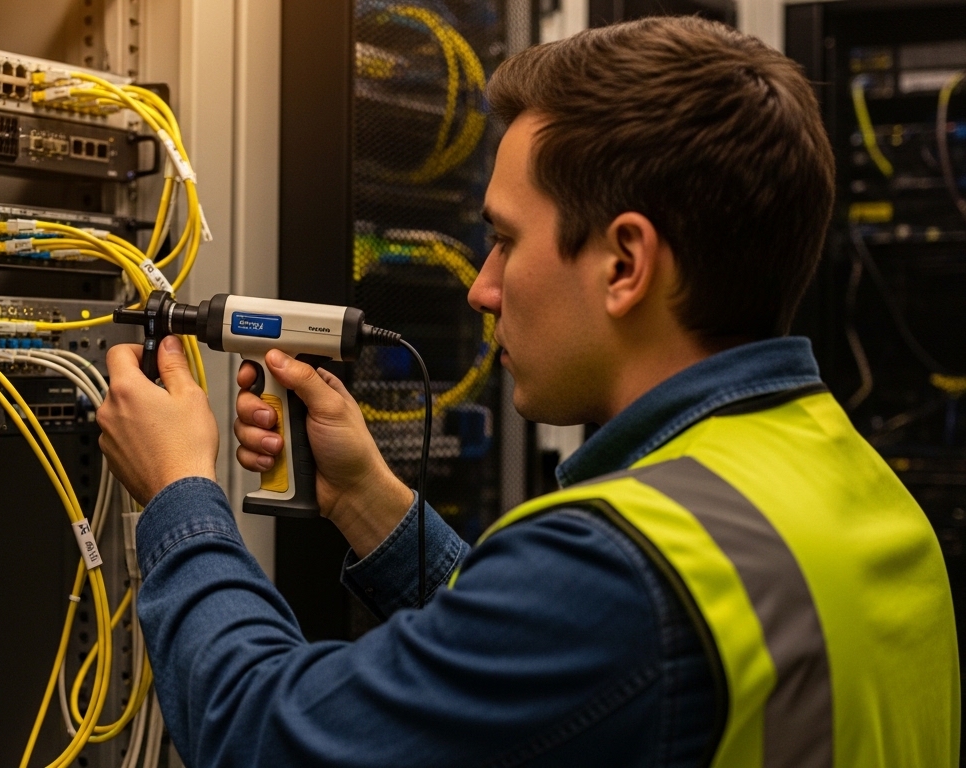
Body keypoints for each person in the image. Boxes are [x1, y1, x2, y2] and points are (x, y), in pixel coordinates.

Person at [96, 16, 959, 768]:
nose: (481, 287)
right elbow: (553, 672)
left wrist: (180, 493)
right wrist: (366, 500)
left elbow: (266, 738)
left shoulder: (624, 569)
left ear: (625, 263)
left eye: (506, 241)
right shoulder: (857, 489)